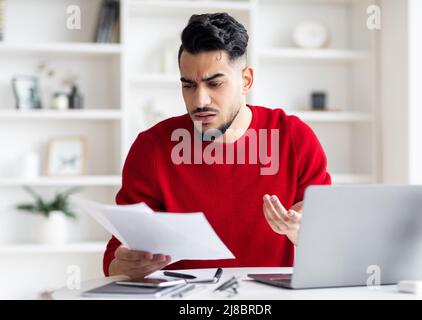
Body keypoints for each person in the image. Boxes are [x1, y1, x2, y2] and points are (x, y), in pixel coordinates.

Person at [105, 12, 331, 279]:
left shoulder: (294, 138)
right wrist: (125, 264)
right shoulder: (152, 148)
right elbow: (114, 257)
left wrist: (302, 233)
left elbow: (329, 246)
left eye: (215, 84)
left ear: (245, 80)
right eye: (189, 85)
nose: (200, 100)